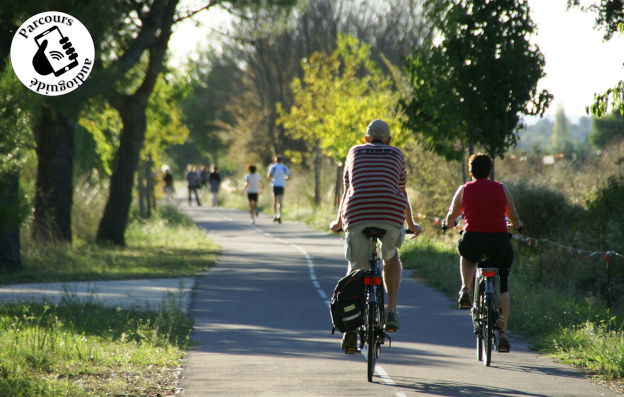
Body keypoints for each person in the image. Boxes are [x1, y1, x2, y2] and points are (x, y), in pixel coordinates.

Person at [329, 119, 422, 353]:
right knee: (391, 257)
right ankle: (391, 311)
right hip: (390, 215)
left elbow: (348, 191)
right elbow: (401, 191)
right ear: (388, 140)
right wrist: (412, 224)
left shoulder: (354, 152)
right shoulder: (397, 154)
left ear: (366, 138)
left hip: (357, 214)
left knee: (355, 269)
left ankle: (351, 329)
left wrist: (338, 222)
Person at [442, 153, 522, 352]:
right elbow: (513, 215)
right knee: (502, 287)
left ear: (471, 171)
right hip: (499, 241)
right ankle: (502, 333)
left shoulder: (464, 189)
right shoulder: (501, 188)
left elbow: (452, 215)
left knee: (467, 253)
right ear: (489, 171)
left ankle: (466, 289)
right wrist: (516, 225)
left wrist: (448, 224)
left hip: (473, 239)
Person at [267, 155, 290, 223]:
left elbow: (269, 175)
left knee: (274, 200)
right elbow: (288, 176)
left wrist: (272, 180)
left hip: (274, 184)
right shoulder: (284, 167)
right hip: (281, 185)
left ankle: (274, 215)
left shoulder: (272, 166)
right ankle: (279, 214)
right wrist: (283, 179)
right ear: (281, 160)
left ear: (275, 160)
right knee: (280, 201)